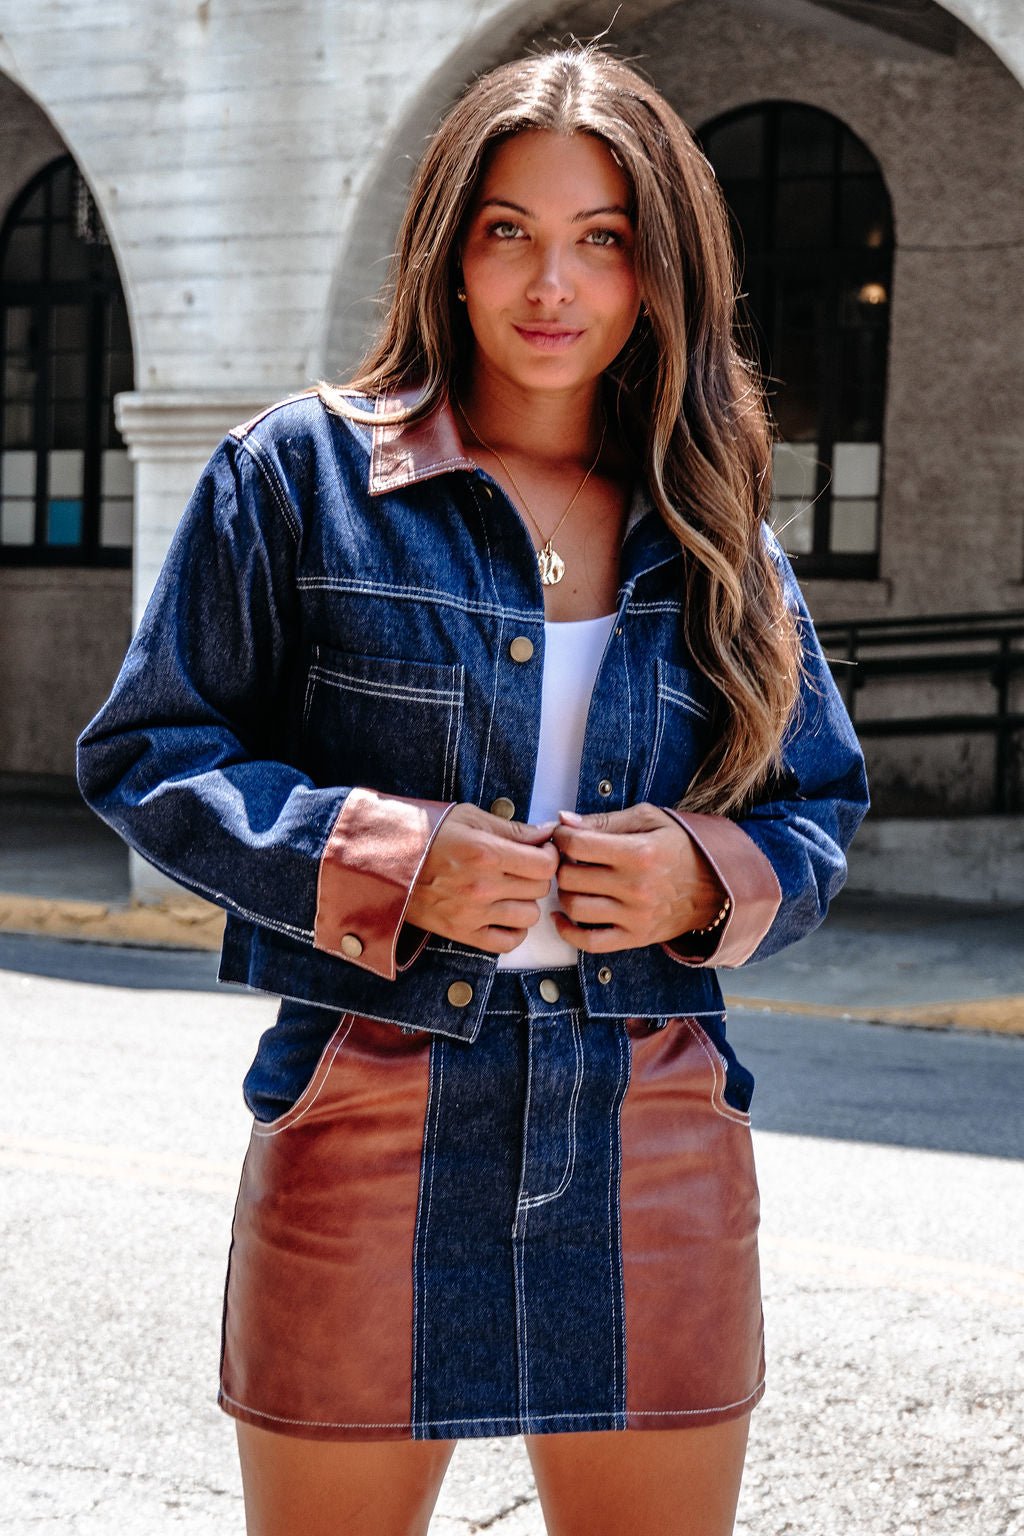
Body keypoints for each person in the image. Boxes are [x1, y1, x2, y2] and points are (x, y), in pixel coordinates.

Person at [77, 44, 868, 1536]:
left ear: (656, 271)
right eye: (508, 230)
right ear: (448, 249)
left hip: (651, 1126)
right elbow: (148, 750)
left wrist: (702, 875)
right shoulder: (298, 478)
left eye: (600, 239)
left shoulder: (711, 519)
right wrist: (390, 856)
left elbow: (817, 804)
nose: (549, 284)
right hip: (367, 1104)